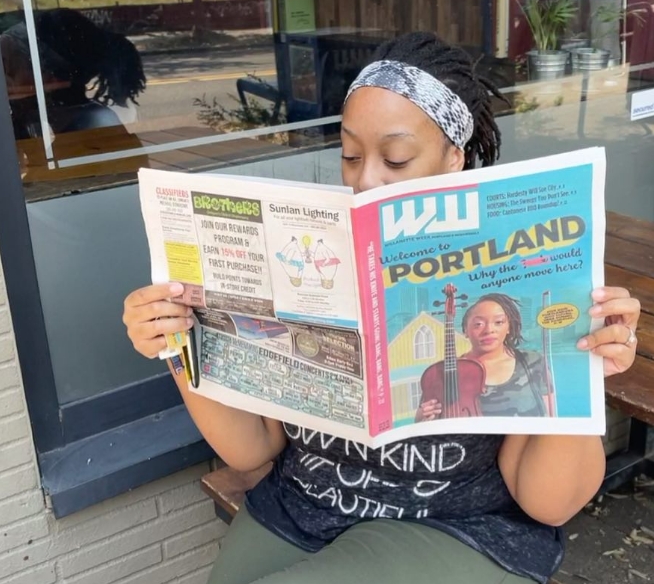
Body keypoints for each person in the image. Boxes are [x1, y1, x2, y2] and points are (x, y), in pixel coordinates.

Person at [122, 32, 641, 584]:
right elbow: (254, 449)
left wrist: (581, 367)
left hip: (458, 527)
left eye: (395, 158)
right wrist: (177, 344)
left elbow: (549, 504)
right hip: (303, 508)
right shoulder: (316, 252)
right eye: (349, 154)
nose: (365, 179)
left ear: (453, 161)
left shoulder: (509, 273)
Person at [0, 8, 146, 140]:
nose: (2, 81)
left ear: (50, 77)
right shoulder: (37, 121)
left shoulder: (95, 124)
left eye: (9, 69)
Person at [416, 293, 552, 421]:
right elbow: (422, 419)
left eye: (498, 322)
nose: (488, 330)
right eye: (478, 324)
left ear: (509, 327)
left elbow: (551, 413)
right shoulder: (444, 373)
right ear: (465, 330)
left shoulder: (532, 361)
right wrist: (423, 416)